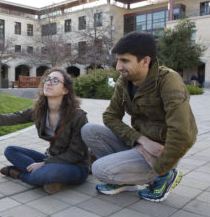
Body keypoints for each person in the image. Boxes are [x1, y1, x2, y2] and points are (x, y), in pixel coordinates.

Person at [81, 31, 197, 202]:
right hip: (142, 144)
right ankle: (125, 182)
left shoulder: (168, 81)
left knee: (100, 170)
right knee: (89, 130)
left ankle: (164, 177)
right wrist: (140, 140)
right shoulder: (124, 82)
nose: (118, 67)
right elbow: (110, 116)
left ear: (145, 61)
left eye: (125, 60)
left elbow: (182, 133)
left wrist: (162, 166)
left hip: (161, 152)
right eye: (118, 60)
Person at [0, 68, 89, 194]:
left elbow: (75, 154)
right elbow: (9, 118)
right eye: (47, 79)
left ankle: (18, 173)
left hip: (75, 166)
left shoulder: (78, 116)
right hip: (53, 159)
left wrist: (43, 163)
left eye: (55, 80)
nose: (49, 83)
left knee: (43, 173)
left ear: (65, 90)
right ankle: (47, 179)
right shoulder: (40, 110)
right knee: (10, 150)